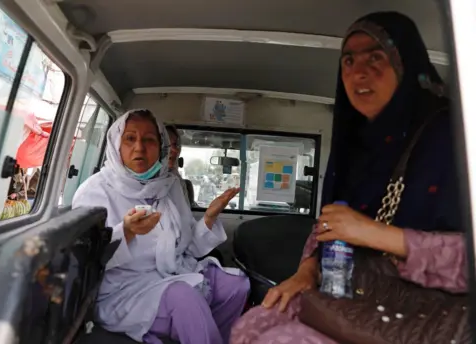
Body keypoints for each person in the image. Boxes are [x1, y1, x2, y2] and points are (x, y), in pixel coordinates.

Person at [230, 11, 463, 343]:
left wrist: (375, 234)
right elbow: (329, 223)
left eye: (376, 57)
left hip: (425, 314)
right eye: (349, 61)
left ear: (405, 64)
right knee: (254, 324)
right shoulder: (353, 148)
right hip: (353, 293)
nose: (359, 73)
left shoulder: (453, 138)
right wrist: (307, 269)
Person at [72, 109, 249, 344]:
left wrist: (208, 218)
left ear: (161, 147)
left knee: (237, 285)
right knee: (184, 299)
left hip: (173, 271)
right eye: (130, 138)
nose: (139, 148)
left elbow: (187, 247)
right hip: (126, 290)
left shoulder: (170, 185)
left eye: (149, 140)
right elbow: (86, 260)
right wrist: (125, 232)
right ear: (116, 144)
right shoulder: (95, 191)